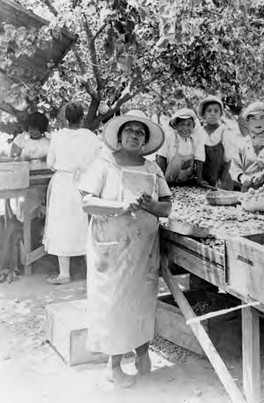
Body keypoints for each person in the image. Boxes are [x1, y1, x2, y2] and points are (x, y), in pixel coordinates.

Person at [79, 114, 171, 388]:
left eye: (140, 133)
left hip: (143, 247)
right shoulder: (103, 165)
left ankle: (143, 355)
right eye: (129, 131)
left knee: (142, 301)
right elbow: (87, 202)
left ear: (145, 140)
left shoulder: (152, 169)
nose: (134, 136)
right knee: (115, 304)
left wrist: (147, 205)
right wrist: (121, 206)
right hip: (112, 248)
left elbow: (166, 207)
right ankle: (114, 365)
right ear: (119, 137)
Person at [43, 103, 101, 284]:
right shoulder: (91, 137)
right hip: (85, 183)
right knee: (85, 223)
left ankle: (64, 273)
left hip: (63, 183)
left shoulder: (57, 136)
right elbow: (98, 161)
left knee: (62, 225)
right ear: (82, 117)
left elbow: (50, 163)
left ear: (66, 118)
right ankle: (91, 271)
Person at [230, 101, 264, 191]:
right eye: (253, 119)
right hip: (249, 194)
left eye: (262, 118)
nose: (258, 122)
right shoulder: (242, 145)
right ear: (247, 122)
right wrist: (242, 177)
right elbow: (234, 168)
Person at [194, 95, 233, 189]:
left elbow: (227, 159)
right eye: (209, 111)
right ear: (204, 114)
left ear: (220, 114)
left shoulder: (224, 131)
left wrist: (222, 180)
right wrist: (199, 179)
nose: (212, 114)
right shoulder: (199, 132)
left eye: (216, 111)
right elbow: (198, 158)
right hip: (204, 177)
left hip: (221, 176)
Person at [156, 108, 203, 185]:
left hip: (187, 182)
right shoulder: (169, 137)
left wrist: (199, 179)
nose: (185, 128)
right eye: (181, 124)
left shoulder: (195, 140)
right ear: (175, 126)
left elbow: (199, 159)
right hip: (168, 181)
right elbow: (161, 158)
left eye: (189, 124)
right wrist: (162, 182)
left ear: (193, 125)